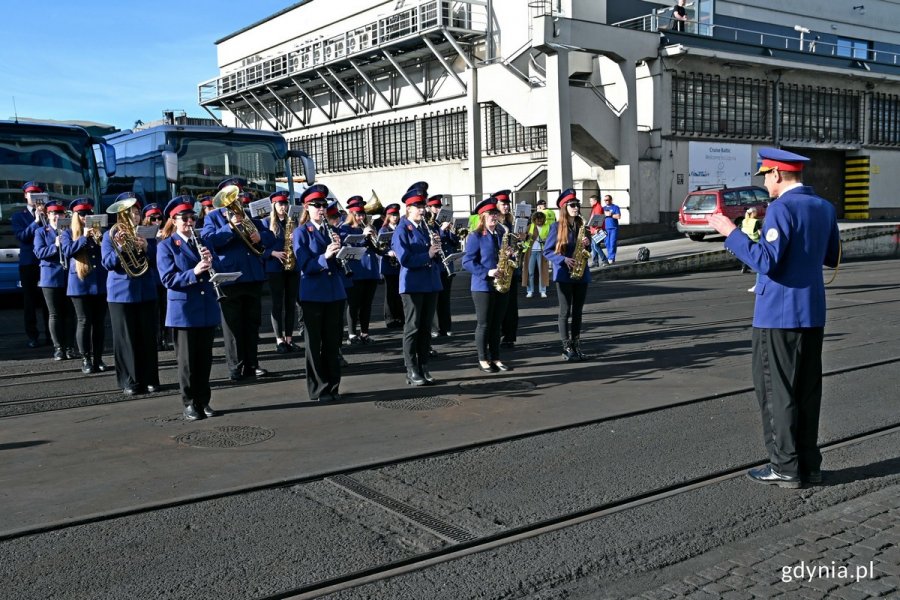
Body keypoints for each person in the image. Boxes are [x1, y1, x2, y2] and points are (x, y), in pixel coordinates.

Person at [709, 148, 840, 489]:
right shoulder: (824, 207)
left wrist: (730, 232)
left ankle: (784, 466)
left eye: (765, 175)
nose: (764, 182)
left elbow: (766, 262)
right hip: (812, 311)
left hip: (777, 315)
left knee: (776, 392)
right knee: (808, 391)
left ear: (778, 174)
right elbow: (831, 256)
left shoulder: (782, 207)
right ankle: (809, 465)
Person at [201, 177, 275, 381]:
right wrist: (230, 227)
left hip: (252, 275)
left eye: (238, 193)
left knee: (252, 323)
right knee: (233, 327)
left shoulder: (249, 214)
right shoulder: (214, 217)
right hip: (230, 278)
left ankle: (252, 364)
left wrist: (261, 237)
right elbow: (208, 240)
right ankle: (236, 367)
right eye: (231, 194)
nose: (237, 197)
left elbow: (270, 236)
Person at [156, 197, 221, 420]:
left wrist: (212, 263)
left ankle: (204, 401)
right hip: (183, 312)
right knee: (187, 363)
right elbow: (168, 279)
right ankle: (190, 403)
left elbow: (217, 268)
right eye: (185, 218)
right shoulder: (166, 246)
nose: (190, 222)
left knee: (204, 359)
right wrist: (194, 271)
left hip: (205, 308)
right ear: (174, 221)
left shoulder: (203, 241)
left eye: (193, 217)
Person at [293, 184, 347, 402]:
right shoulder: (301, 232)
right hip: (313, 294)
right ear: (307, 207)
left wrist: (345, 254)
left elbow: (339, 263)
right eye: (317, 205)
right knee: (315, 344)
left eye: (324, 205)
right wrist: (325, 256)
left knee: (333, 342)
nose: (321, 209)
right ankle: (318, 389)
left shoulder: (332, 231)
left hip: (335, 293)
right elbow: (304, 265)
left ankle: (333, 385)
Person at [102, 193, 160, 395]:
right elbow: (107, 263)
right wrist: (120, 247)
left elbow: (158, 261)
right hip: (121, 293)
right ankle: (130, 381)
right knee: (126, 339)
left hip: (145, 290)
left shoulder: (146, 234)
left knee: (147, 337)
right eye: (130, 213)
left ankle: (151, 379)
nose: (134, 216)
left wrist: (146, 247)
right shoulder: (110, 235)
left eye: (136, 212)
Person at [391, 186, 443, 386]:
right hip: (412, 285)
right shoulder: (402, 229)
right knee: (412, 328)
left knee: (425, 328)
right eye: (418, 206)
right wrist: (428, 254)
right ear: (408, 208)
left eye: (423, 206)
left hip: (430, 283)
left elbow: (432, 256)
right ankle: (411, 369)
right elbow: (405, 259)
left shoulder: (426, 228)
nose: (422, 210)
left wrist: (437, 251)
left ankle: (424, 366)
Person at [462, 197, 512, 373]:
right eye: (490, 213)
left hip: (500, 284)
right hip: (482, 286)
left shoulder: (500, 233)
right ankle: (483, 359)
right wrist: (487, 272)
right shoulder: (475, 236)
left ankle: (496, 357)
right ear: (482, 216)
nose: (494, 216)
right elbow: (467, 261)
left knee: (497, 323)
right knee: (484, 324)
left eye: (495, 213)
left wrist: (509, 254)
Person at [60, 198, 109, 374]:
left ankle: (98, 358)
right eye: (82, 214)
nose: (85, 217)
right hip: (79, 283)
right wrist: (83, 237)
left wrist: (100, 236)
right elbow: (67, 251)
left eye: (88, 213)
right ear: (75, 215)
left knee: (99, 323)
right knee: (84, 321)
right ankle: (86, 359)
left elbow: (107, 250)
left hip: (99, 282)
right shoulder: (67, 233)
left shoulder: (100, 231)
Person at [544, 189, 592, 361]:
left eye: (577, 204)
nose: (576, 207)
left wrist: (587, 243)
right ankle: (566, 347)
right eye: (572, 205)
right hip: (564, 274)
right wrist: (563, 259)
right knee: (565, 311)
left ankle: (577, 344)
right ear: (564, 207)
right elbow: (547, 251)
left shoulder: (582, 226)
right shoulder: (556, 227)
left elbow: (589, 250)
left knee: (578, 311)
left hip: (581, 274)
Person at [32, 200, 76, 360]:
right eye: (53, 213)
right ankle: (58, 348)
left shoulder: (69, 231)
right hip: (50, 278)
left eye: (60, 213)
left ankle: (70, 347)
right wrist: (55, 246)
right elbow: (39, 252)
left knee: (70, 314)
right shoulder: (41, 232)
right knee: (55, 314)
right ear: (48, 215)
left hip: (68, 276)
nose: (57, 216)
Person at [12, 181, 50, 347]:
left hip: (47, 262)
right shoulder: (18, 216)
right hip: (29, 263)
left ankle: (51, 335)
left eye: (37, 194)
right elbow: (22, 237)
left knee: (48, 301)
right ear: (25, 196)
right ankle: (32, 336)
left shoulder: (49, 214)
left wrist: (45, 217)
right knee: (30, 301)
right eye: (31, 194)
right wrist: (35, 221)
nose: (34, 198)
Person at [262, 191, 300, 353]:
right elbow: (258, 246)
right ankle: (279, 339)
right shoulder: (265, 222)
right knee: (277, 304)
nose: (283, 207)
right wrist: (272, 253)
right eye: (280, 204)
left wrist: (295, 238)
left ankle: (290, 339)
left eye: (285, 204)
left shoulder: (293, 221)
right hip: (275, 268)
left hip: (292, 267)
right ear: (273, 206)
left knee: (291, 304)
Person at [341, 196, 381, 344]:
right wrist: (364, 236)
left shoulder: (370, 228)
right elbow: (351, 248)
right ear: (351, 214)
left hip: (370, 271)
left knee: (367, 305)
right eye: (357, 214)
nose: (361, 217)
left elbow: (378, 250)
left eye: (362, 214)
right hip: (356, 271)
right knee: (353, 304)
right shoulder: (344, 229)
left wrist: (377, 239)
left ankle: (365, 333)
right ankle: (352, 334)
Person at [426, 194, 459, 337]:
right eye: (435, 207)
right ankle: (435, 328)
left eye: (439, 206)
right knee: (434, 298)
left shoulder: (445, 222)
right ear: (429, 208)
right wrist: (441, 231)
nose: (437, 209)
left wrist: (450, 231)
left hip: (448, 264)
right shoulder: (427, 222)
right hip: (436, 265)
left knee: (445, 298)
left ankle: (446, 327)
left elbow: (454, 242)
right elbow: (431, 240)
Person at [494, 190, 522, 348]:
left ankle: (510, 335)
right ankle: (498, 334)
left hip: (511, 267)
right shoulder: (496, 224)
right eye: (503, 204)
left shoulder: (511, 223)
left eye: (507, 204)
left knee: (511, 305)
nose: (506, 206)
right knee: (499, 305)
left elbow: (518, 246)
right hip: (499, 267)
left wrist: (521, 241)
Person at [142, 203, 171, 351]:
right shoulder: (143, 235)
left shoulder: (166, 233)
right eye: (153, 218)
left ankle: (165, 338)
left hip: (164, 279)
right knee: (153, 311)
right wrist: (154, 242)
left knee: (165, 310)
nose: (157, 222)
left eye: (159, 218)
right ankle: (155, 339)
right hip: (152, 278)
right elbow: (149, 258)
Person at [379, 203, 404, 328]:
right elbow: (379, 246)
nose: (395, 217)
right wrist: (387, 251)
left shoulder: (400, 228)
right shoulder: (384, 230)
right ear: (387, 216)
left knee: (400, 292)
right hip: (389, 264)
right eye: (392, 215)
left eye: (396, 214)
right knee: (390, 292)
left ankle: (400, 316)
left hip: (400, 264)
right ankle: (390, 318)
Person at [522, 210, 550, 298]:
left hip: (542, 251)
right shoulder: (530, 226)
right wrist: (526, 237)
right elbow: (523, 238)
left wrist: (546, 240)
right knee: (530, 272)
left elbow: (551, 239)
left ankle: (543, 291)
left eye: (541, 220)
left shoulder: (548, 227)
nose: (539, 221)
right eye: (537, 220)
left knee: (543, 272)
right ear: (534, 220)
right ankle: (530, 291)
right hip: (530, 251)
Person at [739, 206, 762, 283]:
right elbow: (760, 232)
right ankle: (758, 268)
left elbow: (742, 230)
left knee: (747, 255)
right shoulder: (756, 221)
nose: (757, 212)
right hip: (755, 240)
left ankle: (744, 268)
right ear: (753, 213)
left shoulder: (744, 221)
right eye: (756, 211)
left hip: (746, 239)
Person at [587, 195, 609, 267]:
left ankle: (605, 260)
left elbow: (598, 219)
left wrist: (597, 228)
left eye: (591, 201)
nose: (590, 202)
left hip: (598, 230)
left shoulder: (598, 207)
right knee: (594, 246)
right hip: (595, 230)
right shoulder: (595, 208)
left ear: (595, 201)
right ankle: (595, 262)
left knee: (595, 246)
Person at [602, 194, 621, 264]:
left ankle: (611, 258)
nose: (606, 201)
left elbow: (618, 216)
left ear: (610, 200)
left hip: (613, 228)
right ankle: (610, 257)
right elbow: (600, 217)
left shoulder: (615, 207)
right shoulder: (603, 208)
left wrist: (610, 215)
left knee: (612, 243)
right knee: (607, 244)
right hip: (605, 228)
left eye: (607, 200)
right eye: (605, 200)